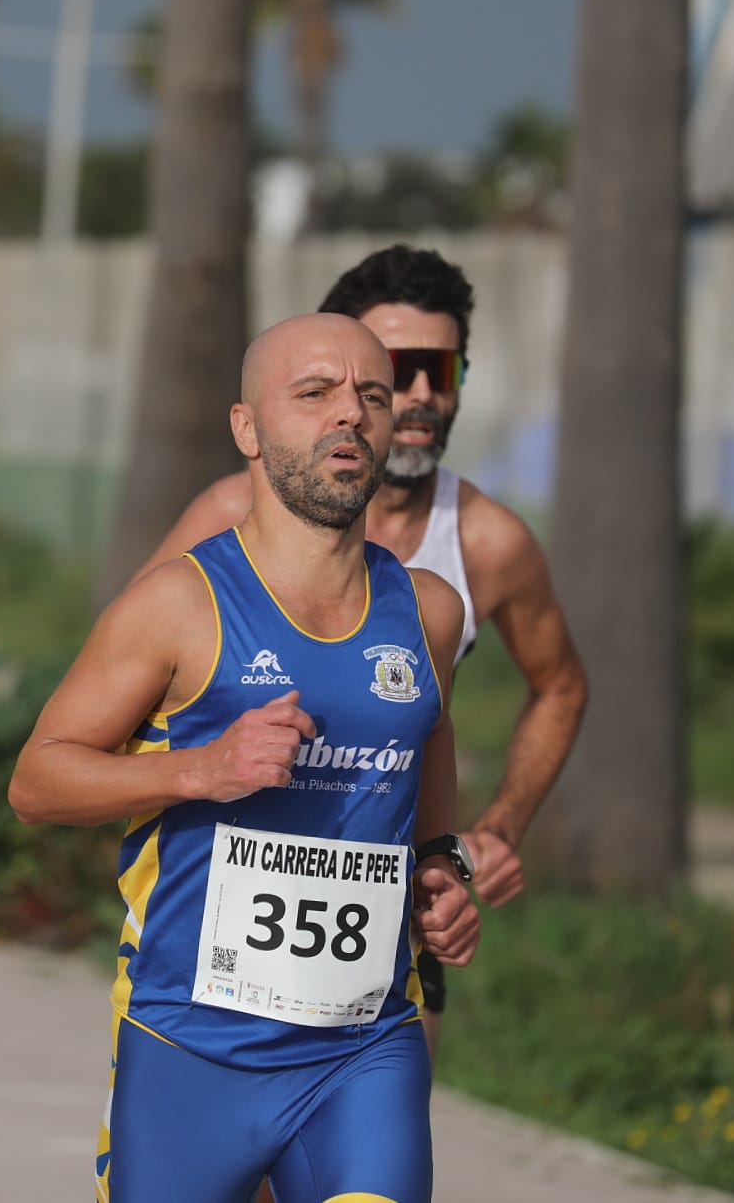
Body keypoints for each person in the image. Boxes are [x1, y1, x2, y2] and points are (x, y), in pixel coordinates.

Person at [11, 313, 481, 1203]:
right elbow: (36, 779)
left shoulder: (428, 610)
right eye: (314, 394)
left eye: (370, 396)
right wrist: (197, 769)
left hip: (363, 1045)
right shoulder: (180, 603)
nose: (350, 415)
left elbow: (432, 730)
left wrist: (436, 862)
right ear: (248, 429)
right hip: (192, 1044)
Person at [140, 245, 586, 1057]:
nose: (419, 394)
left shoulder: (485, 541)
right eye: (397, 368)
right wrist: (200, 776)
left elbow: (559, 685)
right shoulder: (227, 515)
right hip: (211, 940)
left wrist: (495, 830)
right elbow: (114, 703)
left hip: (388, 944)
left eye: (439, 368)